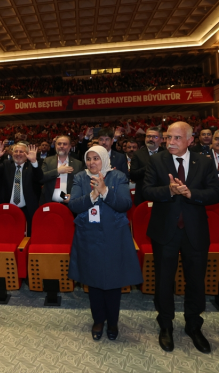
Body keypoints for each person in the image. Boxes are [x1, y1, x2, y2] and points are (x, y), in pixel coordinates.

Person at [142, 121, 219, 354]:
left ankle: (194, 326)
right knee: (164, 280)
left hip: (195, 231)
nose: (171, 142)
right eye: (168, 138)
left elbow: (216, 193)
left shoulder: (205, 162)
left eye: (177, 138)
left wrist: (190, 193)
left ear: (190, 140)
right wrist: (168, 190)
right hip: (164, 231)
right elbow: (145, 191)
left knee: (196, 281)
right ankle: (165, 325)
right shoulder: (157, 161)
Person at [67, 145, 142, 341]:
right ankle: (98, 320)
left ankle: (113, 321)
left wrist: (105, 191)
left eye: (96, 158)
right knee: (93, 281)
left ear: (104, 159)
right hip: (88, 236)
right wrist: (92, 196)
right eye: (89, 158)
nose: (92, 162)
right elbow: (74, 205)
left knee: (113, 281)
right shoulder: (80, 177)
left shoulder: (117, 177)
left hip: (114, 236)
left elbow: (125, 204)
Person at [0, 141, 42, 233]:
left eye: (21, 152)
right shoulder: (6, 164)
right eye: (16, 151)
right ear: (12, 153)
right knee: (6, 233)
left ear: (27, 154)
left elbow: (40, 178)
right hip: (7, 208)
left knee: (27, 235)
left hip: (27, 209)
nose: (18, 154)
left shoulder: (33, 166)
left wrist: (34, 162)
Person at [40, 135, 83, 204]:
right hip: (49, 202)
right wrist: (57, 171)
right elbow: (41, 178)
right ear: (55, 146)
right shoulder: (47, 161)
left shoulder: (78, 164)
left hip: (68, 204)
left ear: (70, 147)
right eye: (59, 144)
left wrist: (74, 196)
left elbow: (80, 184)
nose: (61, 146)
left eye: (65, 144)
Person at [130, 127, 164, 205]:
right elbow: (133, 175)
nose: (150, 139)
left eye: (154, 137)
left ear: (161, 139)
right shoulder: (138, 154)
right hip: (143, 196)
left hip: (162, 196)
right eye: (148, 136)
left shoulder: (166, 154)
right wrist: (150, 166)